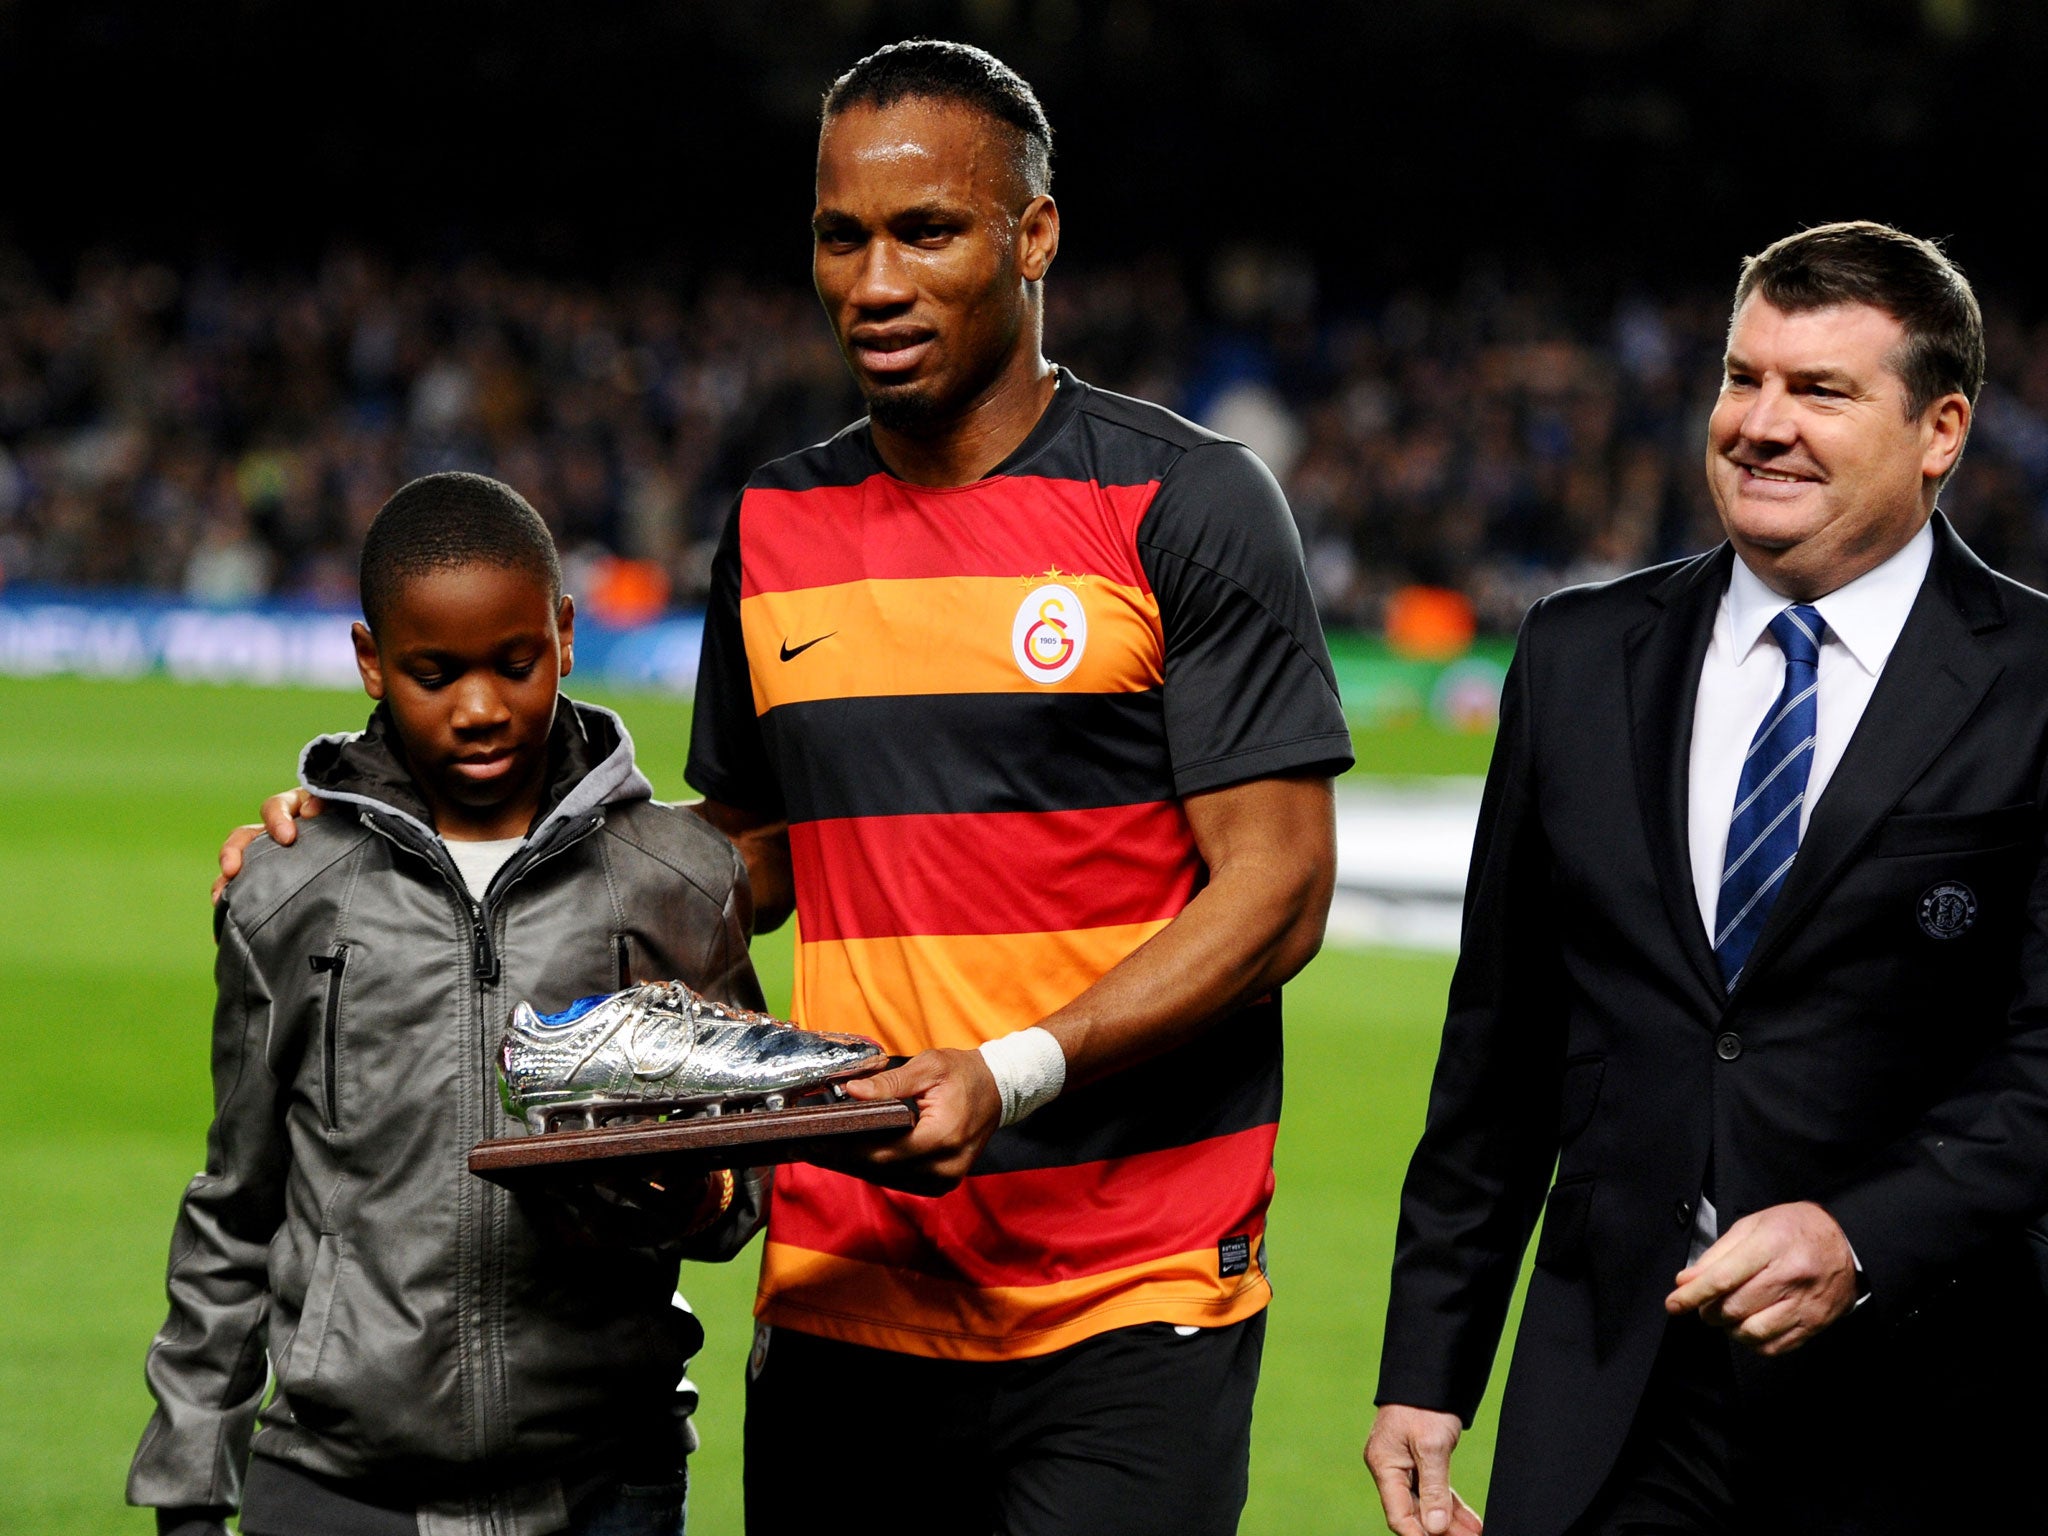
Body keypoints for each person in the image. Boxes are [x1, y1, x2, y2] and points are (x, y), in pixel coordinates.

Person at [219, 42, 1349, 1534]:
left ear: (1036, 236)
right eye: (840, 235)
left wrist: (1011, 1071)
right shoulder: (777, 523)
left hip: (1124, 1294)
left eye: (927, 232)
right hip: (842, 1287)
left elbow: (1276, 891)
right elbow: (728, 856)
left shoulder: (1185, 502)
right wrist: (403, 860)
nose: (874, 281)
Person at [1364, 220, 2048, 1536]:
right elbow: (1501, 1050)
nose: (1762, 423)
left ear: (1941, 430)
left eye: (1822, 391)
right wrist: (1428, 1371)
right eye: (1744, 378)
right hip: (1615, 1402)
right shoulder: (1575, 656)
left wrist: (1860, 1237)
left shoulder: (2031, 681)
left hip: (1932, 1405)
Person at [138, 472, 765, 1536]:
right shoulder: (289, 889)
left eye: (512, 663)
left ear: (564, 635)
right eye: (435, 674)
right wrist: (193, 1477)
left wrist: (694, 1191)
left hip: (607, 1481)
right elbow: (237, 1204)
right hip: (334, 1487)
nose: (479, 707)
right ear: (372, 663)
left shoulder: (678, 879)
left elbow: (745, 1173)